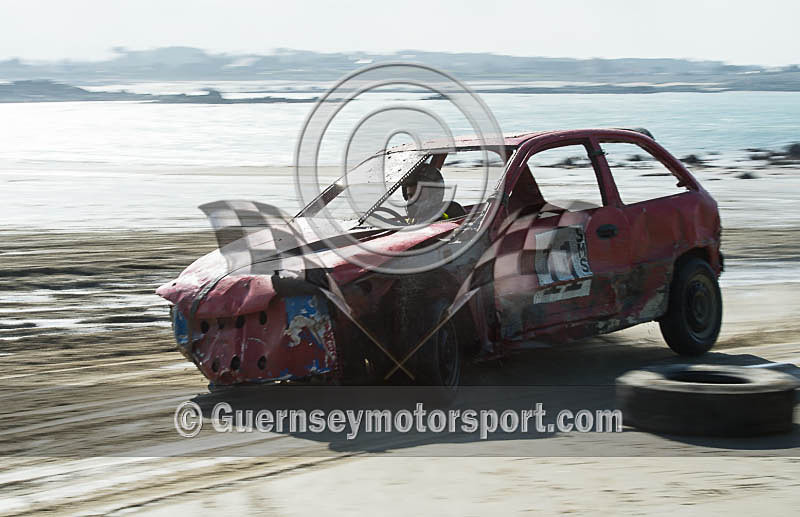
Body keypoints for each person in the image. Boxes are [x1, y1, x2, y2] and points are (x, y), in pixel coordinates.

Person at [401, 163, 465, 223]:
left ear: (434, 194)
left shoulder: (449, 214)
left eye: (419, 195)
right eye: (410, 196)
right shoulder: (412, 221)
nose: (413, 200)